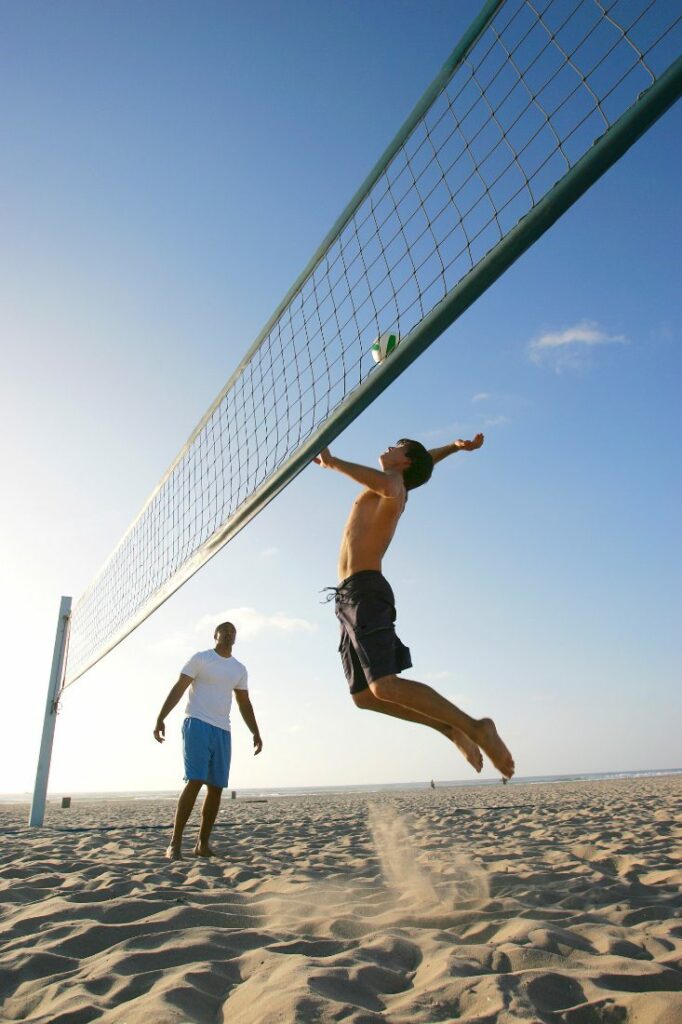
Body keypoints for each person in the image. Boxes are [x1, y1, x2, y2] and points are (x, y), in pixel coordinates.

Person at [314, 434, 514, 779]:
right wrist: (452, 448)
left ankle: (476, 727)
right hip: (346, 597)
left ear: (403, 461)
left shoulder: (392, 485)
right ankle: (451, 730)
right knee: (364, 696)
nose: (388, 446)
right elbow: (423, 463)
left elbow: (401, 480)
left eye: (397, 446)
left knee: (384, 685)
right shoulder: (399, 476)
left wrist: (334, 463)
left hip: (366, 592)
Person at [154, 621, 262, 859]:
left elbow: (244, 702)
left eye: (233, 632)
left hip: (223, 729)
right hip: (197, 723)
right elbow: (179, 688)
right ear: (215, 635)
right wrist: (161, 717)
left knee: (216, 788)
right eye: (225, 631)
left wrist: (255, 731)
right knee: (195, 780)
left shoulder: (239, 669)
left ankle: (202, 844)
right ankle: (175, 843)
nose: (229, 634)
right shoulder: (201, 659)